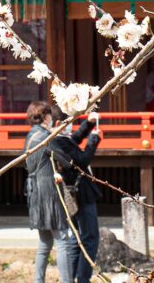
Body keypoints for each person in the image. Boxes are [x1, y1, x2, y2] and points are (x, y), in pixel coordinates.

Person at [24, 100, 76, 283]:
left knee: (45, 243)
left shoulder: (30, 136)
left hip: (34, 193)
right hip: (49, 193)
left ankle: (39, 281)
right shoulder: (45, 138)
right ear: (46, 116)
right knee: (63, 240)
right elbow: (67, 161)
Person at [50, 105, 102, 283]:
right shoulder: (57, 141)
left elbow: (74, 140)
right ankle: (82, 278)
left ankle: (71, 278)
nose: (71, 126)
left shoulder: (56, 139)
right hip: (80, 193)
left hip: (74, 192)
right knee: (90, 237)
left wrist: (88, 124)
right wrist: (94, 140)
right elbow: (81, 160)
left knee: (77, 238)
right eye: (69, 122)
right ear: (59, 123)